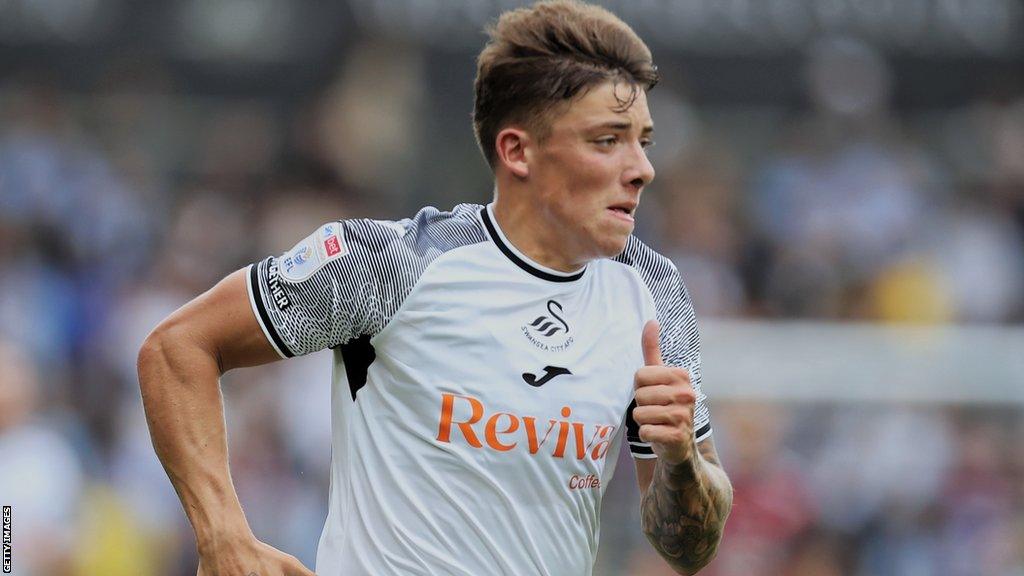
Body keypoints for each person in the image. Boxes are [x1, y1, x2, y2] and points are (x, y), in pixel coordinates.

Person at [137, 1, 733, 574]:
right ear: (518, 151)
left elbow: (687, 550)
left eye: (643, 141)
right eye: (608, 140)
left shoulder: (654, 291)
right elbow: (177, 348)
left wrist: (680, 460)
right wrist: (223, 535)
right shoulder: (398, 262)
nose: (642, 168)